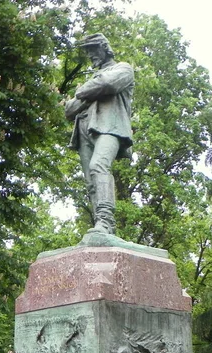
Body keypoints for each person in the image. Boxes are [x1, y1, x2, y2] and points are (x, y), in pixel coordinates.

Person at [65, 33, 134, 234]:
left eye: (93, 50)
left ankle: (106, 221)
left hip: (110, 127)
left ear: (105, 47)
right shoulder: (95, 78)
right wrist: (90, 91)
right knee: (90, 182)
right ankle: (100, 226)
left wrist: (84, 92)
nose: (91, 56)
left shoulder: (123, 69)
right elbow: (69, 109)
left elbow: (108, 84)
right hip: (84, 129)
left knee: (99, 166)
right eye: (88, 52)